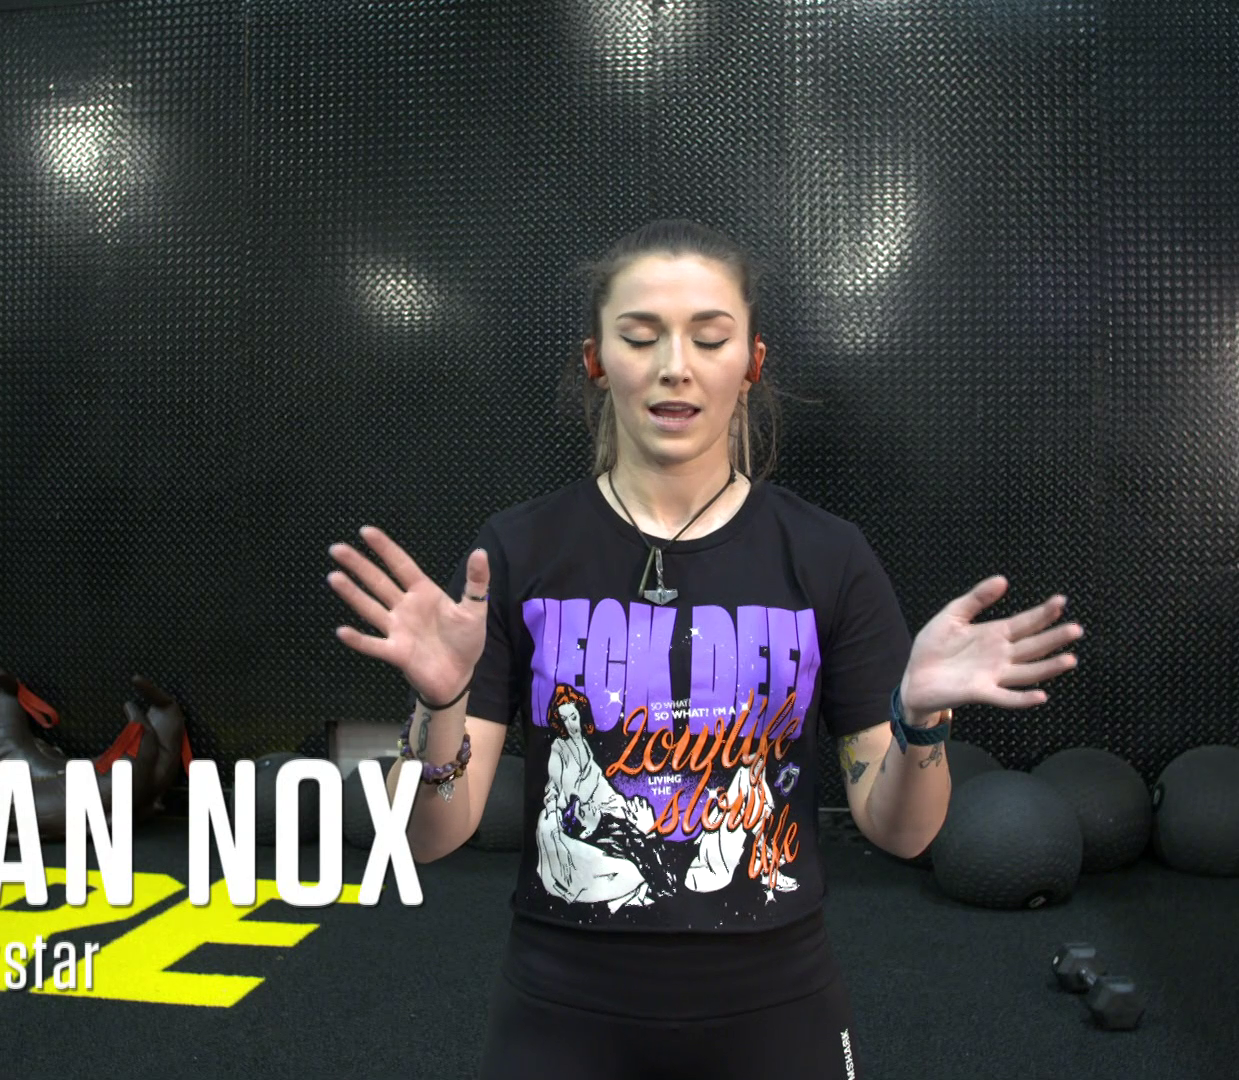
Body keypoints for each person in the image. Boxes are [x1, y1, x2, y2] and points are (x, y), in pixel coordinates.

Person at [325, 219, 1083, 1079]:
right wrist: (440, 702)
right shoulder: (518, 552)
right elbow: (430, 839)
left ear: (752, 362)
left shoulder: (827, 556)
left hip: (776, 1003)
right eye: (640, 336)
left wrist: (920, 720)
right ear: (596, 360)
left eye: (709, 338)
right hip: (563, 1002)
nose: (674, 365)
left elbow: (903, 834)